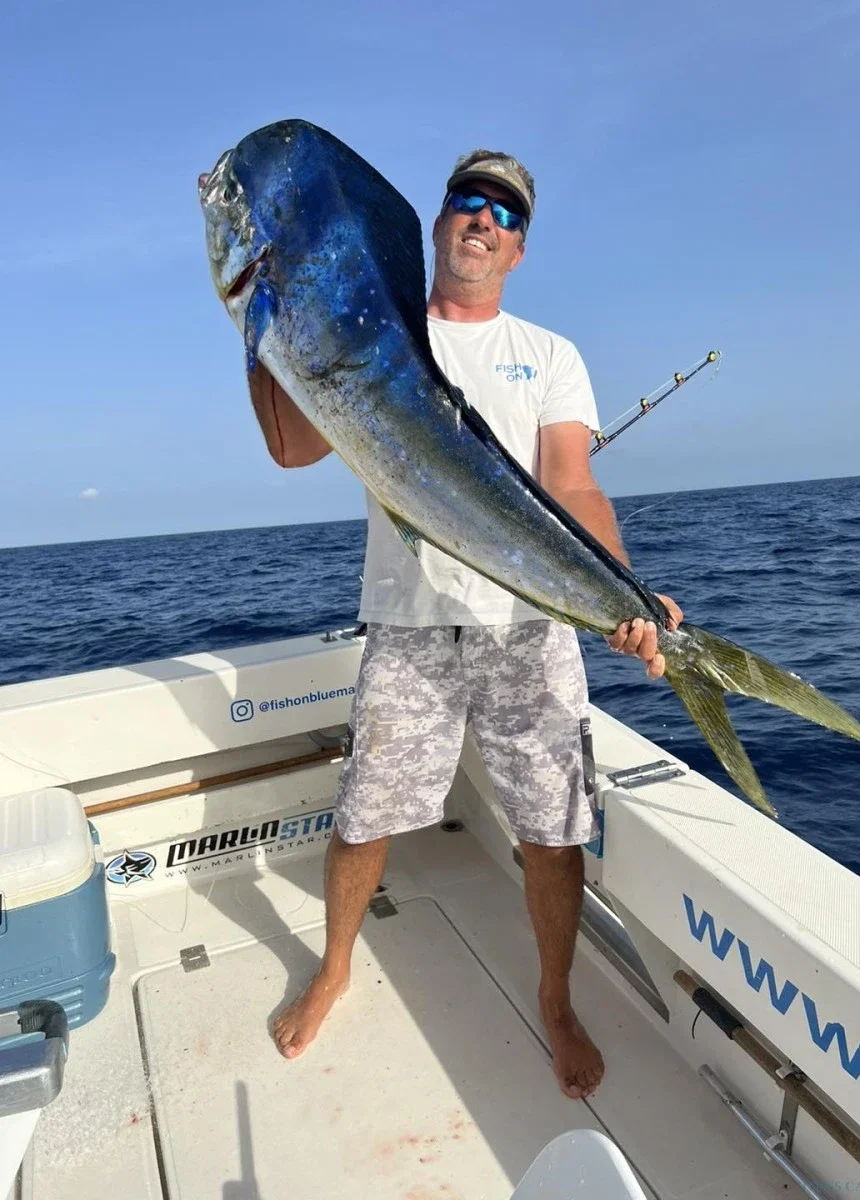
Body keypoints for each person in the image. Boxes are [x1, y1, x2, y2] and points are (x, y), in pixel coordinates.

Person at [246, 150, 683, 1100]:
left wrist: (624, 591)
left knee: (553, 830)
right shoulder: (377, 330)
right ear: (439, 221)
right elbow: (290, 446)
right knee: (365, 814)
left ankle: (556, 1000)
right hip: (408, 625)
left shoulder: (551, 354)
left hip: (531, 629)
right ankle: (334, 968)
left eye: (506, 213)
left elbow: (572, 485)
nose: (485, 219)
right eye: (468, 201)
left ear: (519, 249)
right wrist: (262, 316)